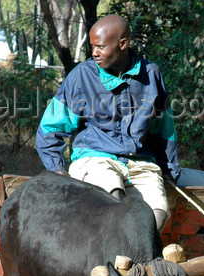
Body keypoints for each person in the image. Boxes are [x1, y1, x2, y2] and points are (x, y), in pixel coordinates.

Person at [36, 15, 180, 231]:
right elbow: (51, 126)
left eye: (100, 47)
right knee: (112, 198)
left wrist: (169, 171)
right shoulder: (82, 76)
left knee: (158, 214)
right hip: (95, 158)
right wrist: (56, 169)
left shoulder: (150, 74)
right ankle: (111, 263)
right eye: (92, 46)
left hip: (140, 163)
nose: (94, 53)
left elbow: (165, 131)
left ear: (122, 44)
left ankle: (139, 262)